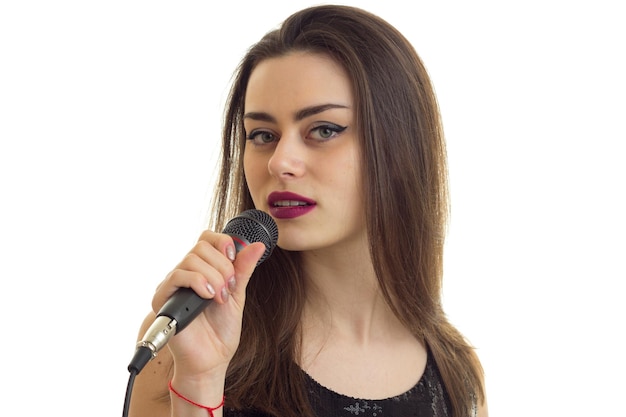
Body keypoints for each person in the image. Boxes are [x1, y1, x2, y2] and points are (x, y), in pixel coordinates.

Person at [129, 5, 488, 417]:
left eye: (323, 130)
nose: (280, 161)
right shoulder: (184, 343)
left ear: (399, 147)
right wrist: (199, 383)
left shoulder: (456, 372)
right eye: (263, 134)